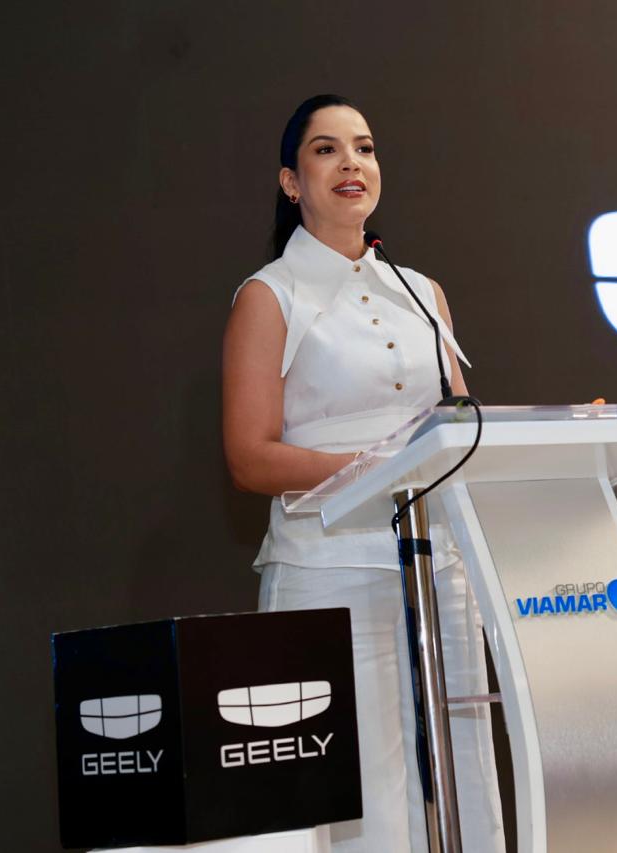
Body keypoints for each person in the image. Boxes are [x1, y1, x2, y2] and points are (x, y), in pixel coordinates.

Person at [222, 94, 506, 853]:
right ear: (291, 182)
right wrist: (377, 470)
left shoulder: (422, 289)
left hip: (436, 568)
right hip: (329, 573)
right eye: (326, 149)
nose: (352, 162)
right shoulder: (269, 295)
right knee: (358, 795)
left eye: (365, 147)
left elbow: (460, 427)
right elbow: (249, 457)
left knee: (465, 772)